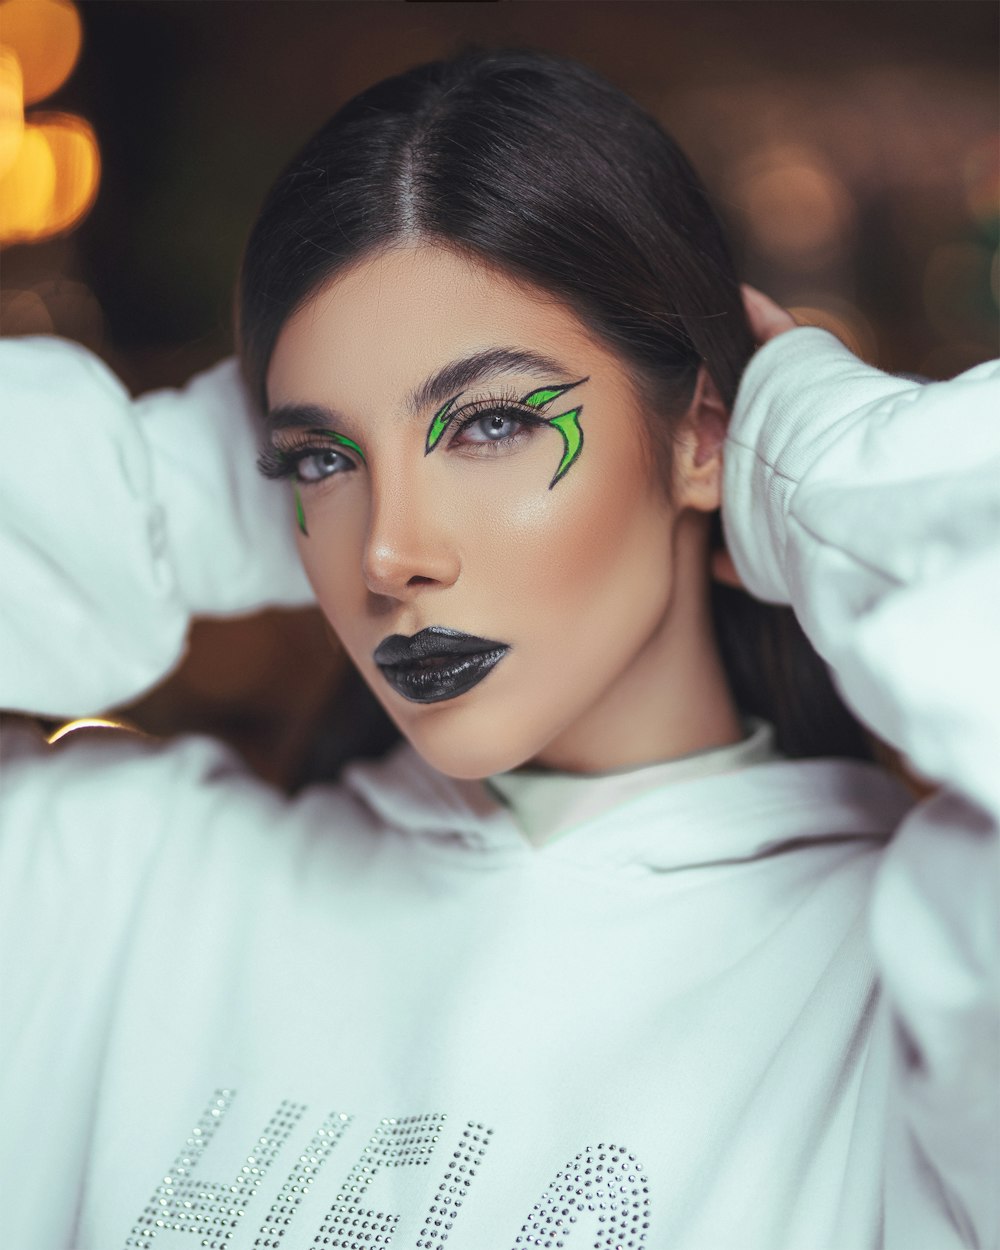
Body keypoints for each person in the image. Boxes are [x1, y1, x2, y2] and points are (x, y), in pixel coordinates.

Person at [0, 45, 997, 1250]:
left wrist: (812, 456)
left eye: (489, 423)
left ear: (700, 433)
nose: (390, 552)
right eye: (320, 456)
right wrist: (172, 497)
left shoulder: (911, 992)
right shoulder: (119, 883)